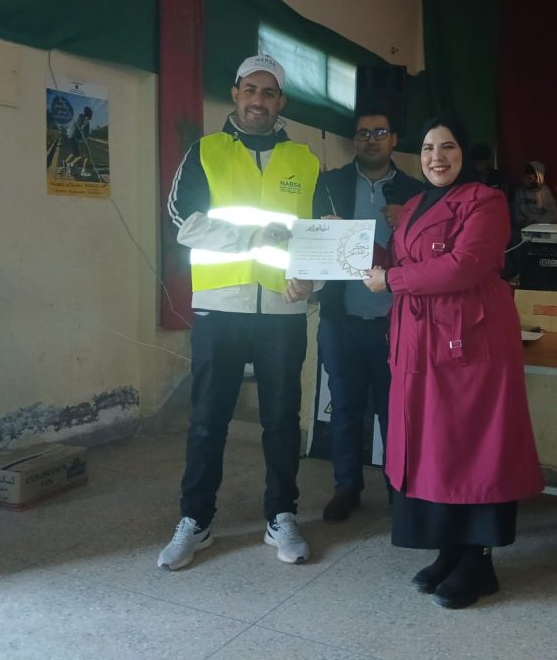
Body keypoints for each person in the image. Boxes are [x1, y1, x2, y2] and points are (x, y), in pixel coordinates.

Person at [362, 116, 543, 609]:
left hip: (471, 342)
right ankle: (450, 551)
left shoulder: (486, 201)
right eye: (427, 148)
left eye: (447, 147)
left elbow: (465, 265)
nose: (436, 157)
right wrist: (351, 244)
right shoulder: (414, 206)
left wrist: (392, 282)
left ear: (464, 153)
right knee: (436, 446)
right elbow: (400, 262)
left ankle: (479, 563)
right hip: (420, 341)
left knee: (472, 447)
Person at [159, 54, 319, 570]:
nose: (258, 100)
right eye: (251, 90)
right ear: (235, 93)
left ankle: (281, 515)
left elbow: (322, 234)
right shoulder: (205, 151)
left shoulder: (305, 160)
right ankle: (196, 520)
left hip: (283, 311)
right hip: (220, 307)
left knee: (282, 420)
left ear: (281, 101)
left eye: (268, 92)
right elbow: (182, 221)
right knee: (208, 420)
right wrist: (253, 236)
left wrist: (312, 279)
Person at [312, 108, 423, 522]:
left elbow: (428, 253)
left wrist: (408, 220)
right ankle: (347, 486)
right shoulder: (330, 184)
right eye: (363, 134)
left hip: (397, 322)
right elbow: (311, 243)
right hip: (341, 319)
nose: (371, 140)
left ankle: (400, 488)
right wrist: (322, 231)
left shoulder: (415, 190)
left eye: (380, 132)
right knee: (344, 407)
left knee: (396, 411)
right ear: (353, 140)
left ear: (394, 139)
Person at [512, 160, 557, 229]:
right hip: (524, 228)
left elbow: (554, 216)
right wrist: (524, 222)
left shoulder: (545, 191)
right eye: (527, 174)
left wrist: (535, 220)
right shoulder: (519, 191)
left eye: (532, 176)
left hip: (542, 228)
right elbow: (516, 215)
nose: (529, 177)